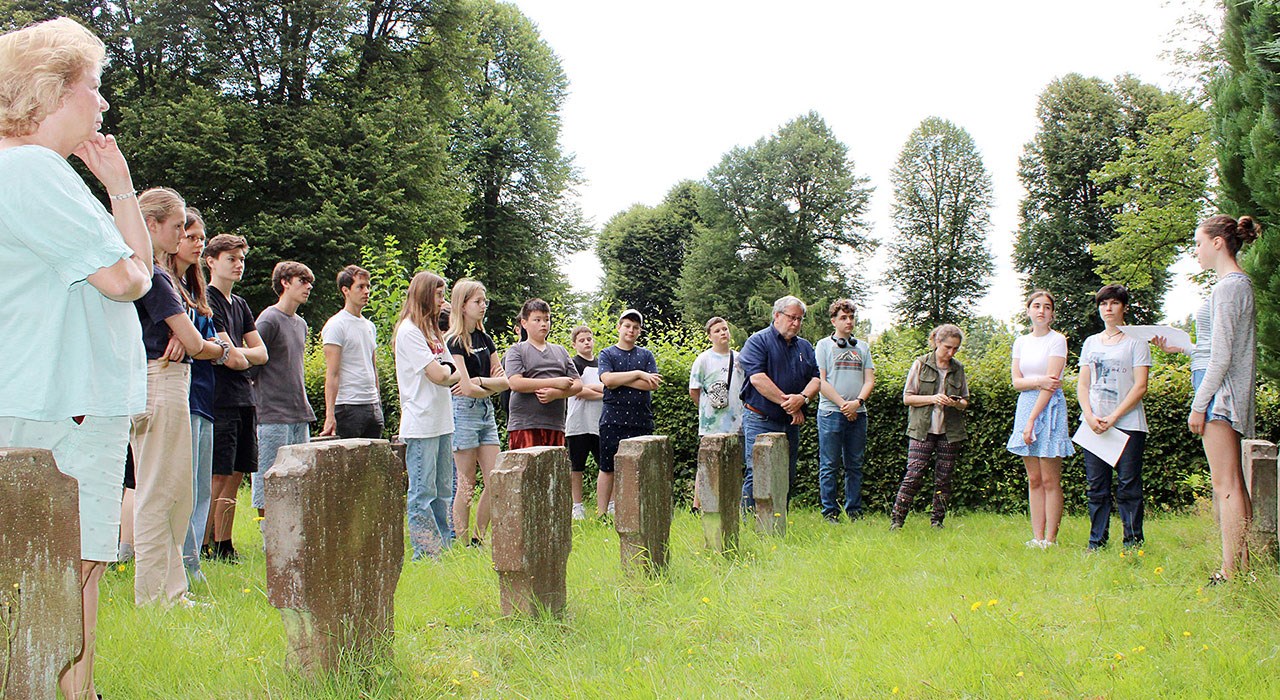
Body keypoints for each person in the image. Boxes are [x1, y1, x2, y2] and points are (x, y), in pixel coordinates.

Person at [0, 18, 150, 697]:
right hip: (63, 402)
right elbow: (128, 280)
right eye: (95, 87)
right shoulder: (31, 169)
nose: (103, 104)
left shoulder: (30, 171)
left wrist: (118, 186)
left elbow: (138, 271)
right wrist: (132, 257)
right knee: (68, 568)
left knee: (66, 567)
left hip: (53, 398)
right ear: (56, 89)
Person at [130, 187, 228, 607]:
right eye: (175, 226)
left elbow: (187, 339)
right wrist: (219, 349)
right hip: (161, 382)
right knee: (159, 492)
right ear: (150, 225)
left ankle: (173, 590)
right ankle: (154, 596)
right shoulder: (151, 274)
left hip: (171, 382)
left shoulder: (157, 274)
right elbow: (192, 341)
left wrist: (192, 344)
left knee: (176, 493)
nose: (181, 234)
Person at [162, 207, 248, 585]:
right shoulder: (162, 283)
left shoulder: (196, 291)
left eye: (199, 236)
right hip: (178, 395)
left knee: (197, 490)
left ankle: (192, 566)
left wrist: (206, 346)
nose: (196, 242)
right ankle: (170, 566)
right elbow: (210, 348)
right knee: (177, 489)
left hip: (204, 397)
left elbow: (213, 346)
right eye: (189, 235)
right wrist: (209, 347)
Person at [1181, 214, 1260, 583]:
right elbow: (1217, 348)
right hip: (1222, 390)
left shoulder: (1228, 287)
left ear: (1217, 242)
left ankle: (1230, 571)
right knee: (1233, 483)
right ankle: (1239, 567)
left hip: (1220, 396)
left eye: (1198, 243)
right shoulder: (1234, 285)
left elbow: (1223, 355)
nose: (1195, 251)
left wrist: (1200, 403)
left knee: (1225, 484)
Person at [204, 233, 269, 562]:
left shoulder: (240, 304)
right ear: (211, 261)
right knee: (218, 473)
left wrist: (239, 353)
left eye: (241, 259)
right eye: (231, 258)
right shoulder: (207, 298)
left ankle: (224, 541)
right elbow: (231, 358)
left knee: (238, 472)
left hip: (245, 397)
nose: (238, 265)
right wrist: (240, 354)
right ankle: (203, 542)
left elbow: (261, 353)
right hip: (220, 398)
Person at [1077, 284, 1151, 550]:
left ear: (1124, 308)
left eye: (1113, 303)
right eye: (1103, 304)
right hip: (1094, 425)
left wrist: (1115, 416)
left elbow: (1140, 385)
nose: (1107, 308)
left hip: (1128, 425)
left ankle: (1132, 542)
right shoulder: (1090, 343)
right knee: (1096, 487)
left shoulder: (1136, 342)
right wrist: (1089, 415)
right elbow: (1083, 384)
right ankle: (1096, 541)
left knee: (1129, 486)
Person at [394, 271, 460, 559]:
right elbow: (438, 373)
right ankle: (425, 551)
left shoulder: (433, 332)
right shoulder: (409, 331)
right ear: (423, 295)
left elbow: (452, 371)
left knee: (444, 490)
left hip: (443, 419)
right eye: (439, 294)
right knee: (422, 492)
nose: (443, 301)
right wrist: (446, 372)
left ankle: (443, 547)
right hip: (420, 422)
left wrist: (446, 372)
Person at [737, 296, 820, 508]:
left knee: (786, 474)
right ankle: (749, 524)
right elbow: (757, 378)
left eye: (800, 319)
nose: (796, 323)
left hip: (790, 423)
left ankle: (778, 524)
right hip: (760, 418)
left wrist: (801, 399)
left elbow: (816, 379)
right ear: (777, 315)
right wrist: (791, 405)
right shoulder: (757, 341)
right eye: (792, 318)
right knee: (757, 473)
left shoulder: (805, 347)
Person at [1007, 290, 1073, 548]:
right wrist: (1036, 381)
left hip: (1049, 409)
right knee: (1034, 478)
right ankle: (1036, 537)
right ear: (1028, 310)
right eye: (1036, 306)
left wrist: (1033, 420)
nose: (1041, 311)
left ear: (1052, 313)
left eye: (1046, 307)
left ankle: (1051, 539)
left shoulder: (1057, 341)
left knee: (1049, 479)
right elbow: (1016, 382)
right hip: (1025, 405)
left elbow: (1052, 384)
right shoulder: (1021, 341)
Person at [250, 261, 316, 520]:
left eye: (309, 282)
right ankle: (270, 536)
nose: (308, 287)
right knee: (268, 478)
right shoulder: (268, 319)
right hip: (272, 414)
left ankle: (292, 533)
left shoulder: (301, 324)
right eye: (302, 281)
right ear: (285, 283)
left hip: (299, 413)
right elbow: (252, 366)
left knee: (300, 481)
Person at [445, 279, 507, 546]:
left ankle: (479, 537)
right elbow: (465, 388)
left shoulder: (485, 338)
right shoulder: (454, 341)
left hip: (485, 412)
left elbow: (504, 382)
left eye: (484, 301)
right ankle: (460, 542)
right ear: (463, 304)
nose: (483, 306)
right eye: (477, 302)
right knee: (466, 483)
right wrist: (482, 384)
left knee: (496, 479)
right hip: (463, 413)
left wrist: (481, 383)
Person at [891, 324, 969, 529]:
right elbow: (907, 398)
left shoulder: (958, 368)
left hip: (949, 431)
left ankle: (937, 522)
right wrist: (933, 398)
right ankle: (897, 520)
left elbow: (965, 402)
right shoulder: (920, 364)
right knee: (914, 474)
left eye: (955, 349)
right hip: (922, 429)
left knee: (944, 478)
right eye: (947, 348)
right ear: (937, 342)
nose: (951, 352)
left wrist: (955, 402)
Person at [814, 301, 875, 522]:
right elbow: (820, 381)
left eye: (851, 317)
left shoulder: (863, 348)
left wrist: (857, 403)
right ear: (833, 320)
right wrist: (843, 404)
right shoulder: (822, 346)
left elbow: (869, 380)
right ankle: (830, 512)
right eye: (843, 317)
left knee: (855, 465)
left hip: (858, 413)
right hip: (831, 412)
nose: (848, 321)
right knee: (829, 464)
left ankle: (854, 511)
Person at [598, 309, 661, 517]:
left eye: (635, 327)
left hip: (641, 419)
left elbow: (652, 384)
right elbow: (607, 380)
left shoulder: (646, 354)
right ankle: (601, 513)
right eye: (627, 326)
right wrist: (638, 374)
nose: (631, 330)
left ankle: (634, 511)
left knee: (639, 469)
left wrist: (621, 380)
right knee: (608, 467)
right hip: (612, 419)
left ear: (639, 331)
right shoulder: (606, 353)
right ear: (619, 327)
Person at [504, 298, 582, 449]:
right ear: (524, 323)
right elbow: (515, 383)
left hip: (555, 425)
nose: (543, 324)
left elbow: (578, 384)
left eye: (547, 319)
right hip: (524, 424)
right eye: (537, 320)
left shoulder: (560, 350)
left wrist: (556, 394)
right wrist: (554, 383)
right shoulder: (517, 350)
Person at [319, 264, 383, 439]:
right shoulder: (336, 325)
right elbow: (332, 373)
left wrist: (377, 402)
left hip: (371, 404)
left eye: (368, 286)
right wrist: (330, 415)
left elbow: (372, 367)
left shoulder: (369, 326)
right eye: (360, 287)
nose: (366, 291)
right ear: (346, 290)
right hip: (348, 405)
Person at [566, 325, 604, 520]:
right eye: (582, 340)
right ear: (574, 344)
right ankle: (577, 506)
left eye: (589, 339)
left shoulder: (602, 364)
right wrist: (603, 393)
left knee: (605, 466)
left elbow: (608, 387)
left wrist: (595, 390)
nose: (587, 342)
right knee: (576, 467)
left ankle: (606, 505)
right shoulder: (573, 364)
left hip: (599, 423)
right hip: (578, 423)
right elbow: (578, 391)